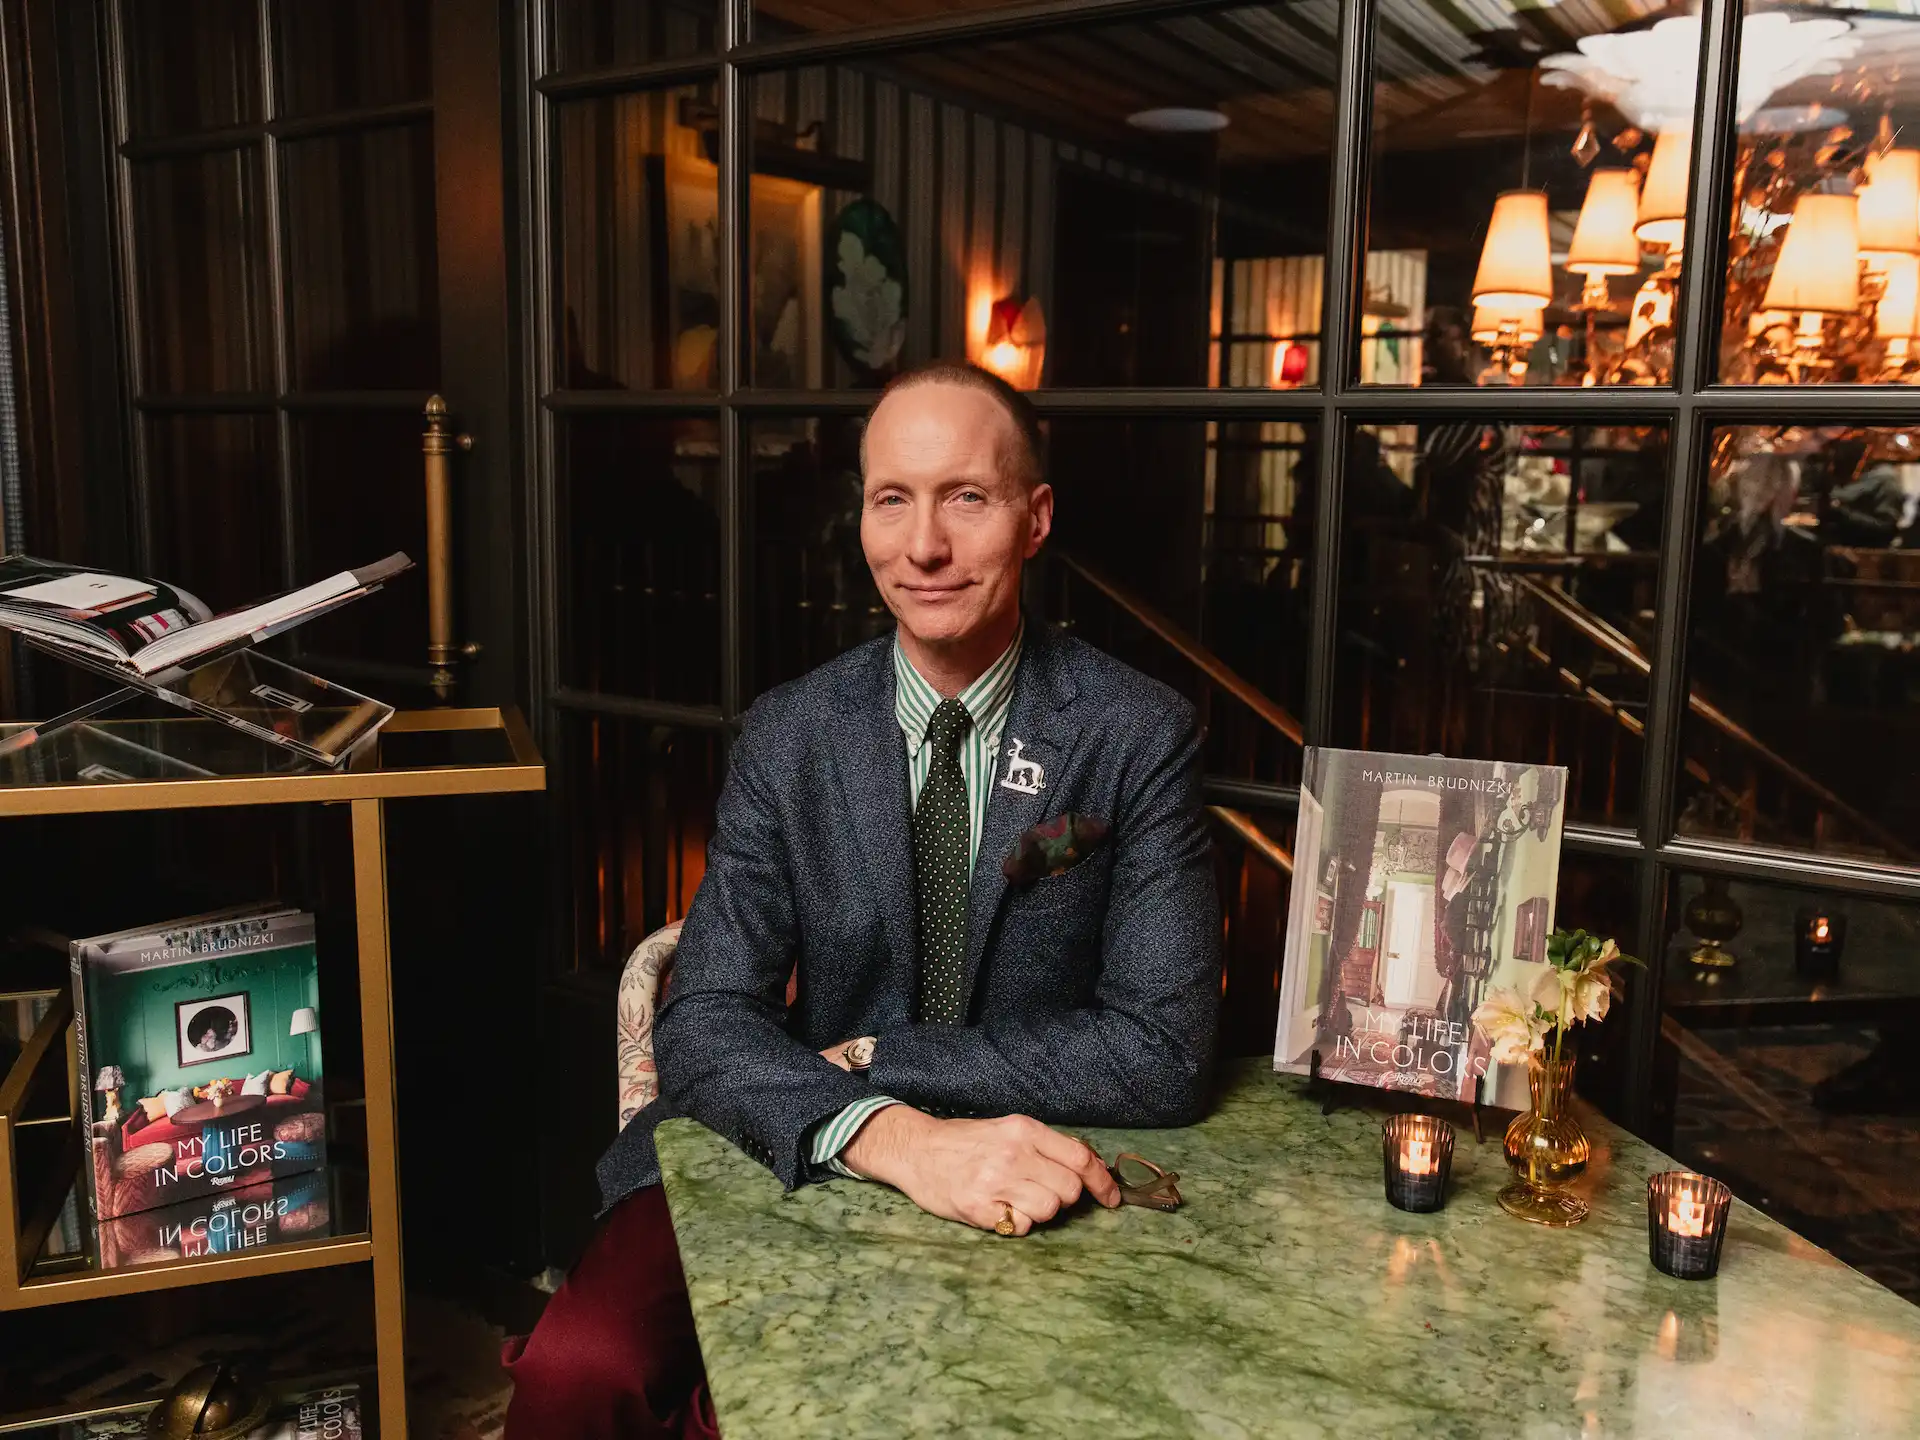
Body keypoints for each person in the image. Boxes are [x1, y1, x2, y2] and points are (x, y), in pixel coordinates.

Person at [502, 361, 1222, 1439]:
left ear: (1036, 519)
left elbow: (1161, 1049)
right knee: (577, 1373)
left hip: (1021, 1154)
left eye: (965, 498)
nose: (922, 547)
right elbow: (704, 1018)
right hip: (792, 1125)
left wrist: (884, 1060)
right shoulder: (790, 733)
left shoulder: (1135, 734)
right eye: (893, 499)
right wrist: (882, 1128)